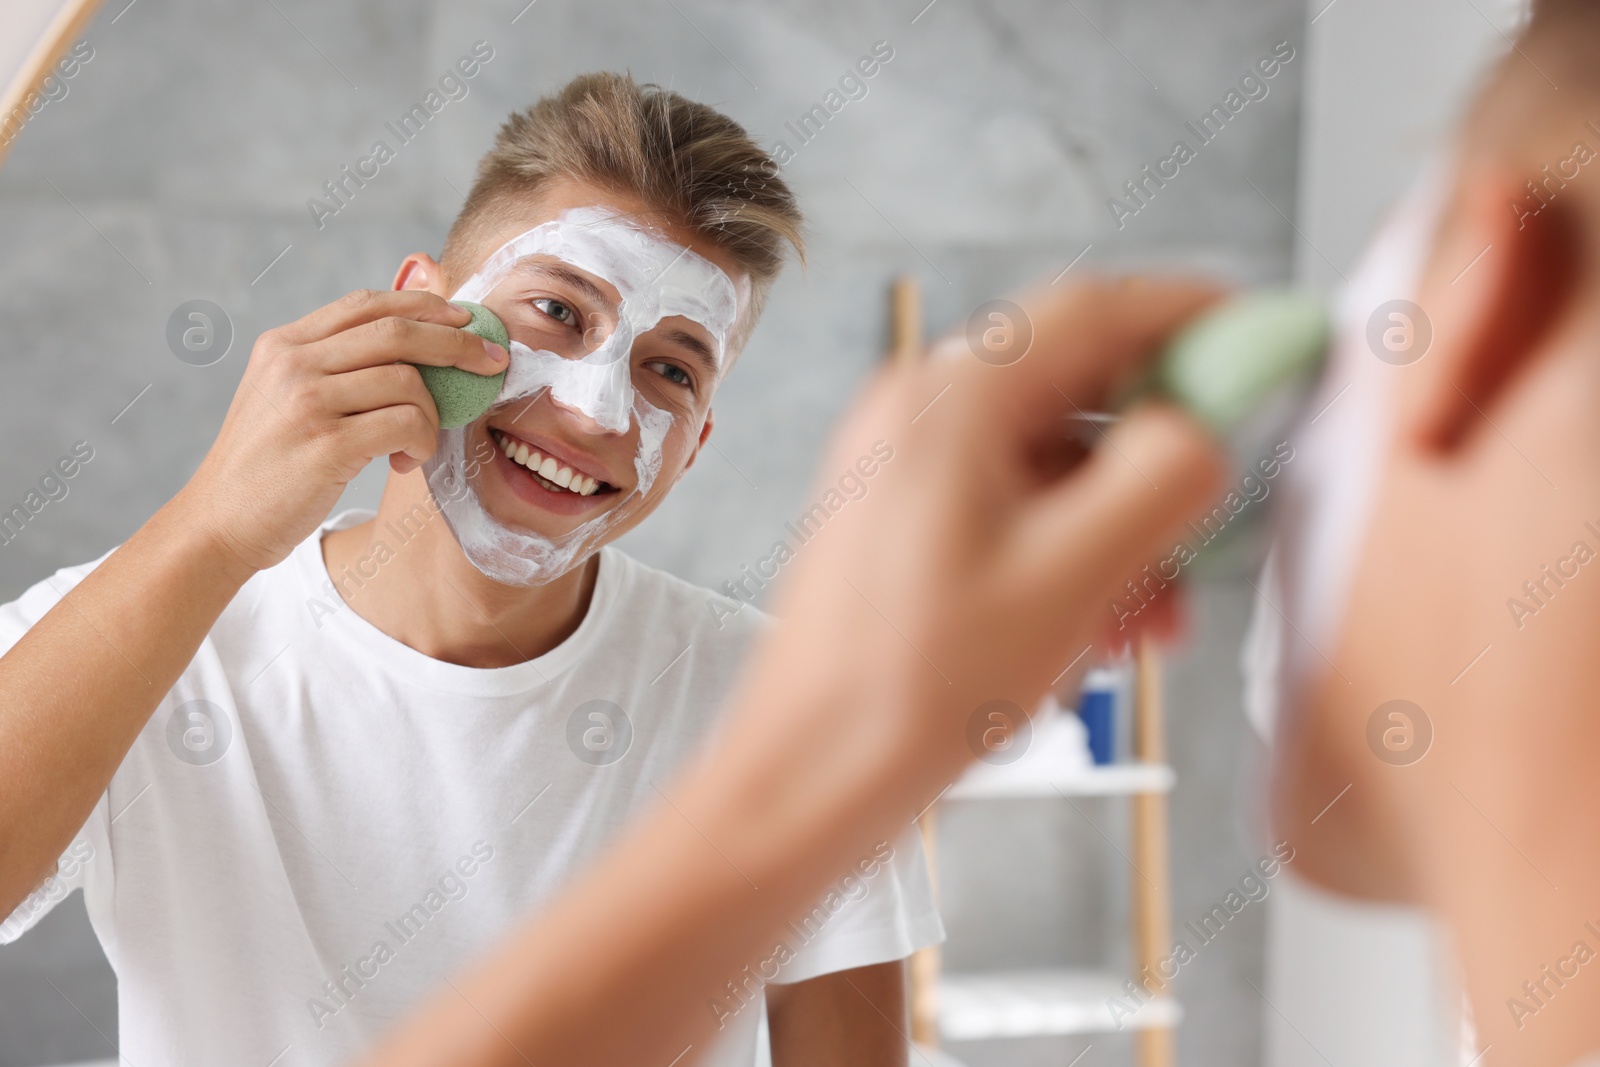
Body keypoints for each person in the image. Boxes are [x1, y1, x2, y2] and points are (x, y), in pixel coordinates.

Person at [0, 74, 940, 1067]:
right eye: (557, 311)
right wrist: (212, 534)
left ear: (696, 442)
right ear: (420, 308)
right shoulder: (150, 627)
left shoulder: (780, 700)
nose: (597, 412)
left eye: (670, 368)